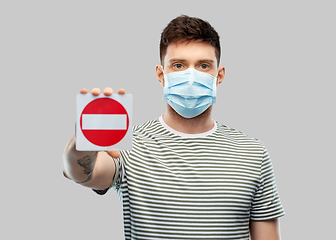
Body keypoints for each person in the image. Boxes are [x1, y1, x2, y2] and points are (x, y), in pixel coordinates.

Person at [62, 15, 285, 240]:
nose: (191, 76)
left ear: (219, 76)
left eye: (203, 66)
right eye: (178, 65)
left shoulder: (252, 153)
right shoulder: (130, 144)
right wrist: (84, 141)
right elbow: (82, 174)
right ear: (161, 75)